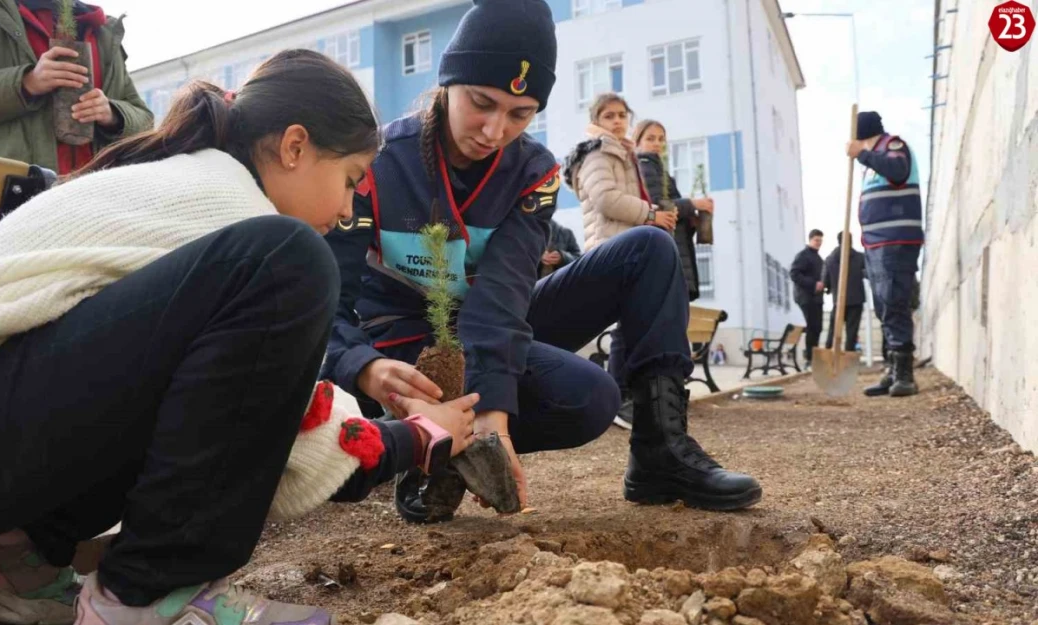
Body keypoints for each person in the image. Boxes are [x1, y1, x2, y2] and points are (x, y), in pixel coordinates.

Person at [0, 50, 482, 625]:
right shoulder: (230, 210)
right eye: (349, 181)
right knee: (296, 259)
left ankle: (1, 556)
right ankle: (150, 597)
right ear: (295, 147)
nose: (346, 210)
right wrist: (416, 436)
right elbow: (281, 430)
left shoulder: (192, 184)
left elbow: (220, 403)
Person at [323, 0, 761, 526]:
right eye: (480, 103)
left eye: (520, 114)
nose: (493, 130)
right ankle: (431, 450)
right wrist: (363, 368)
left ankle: (660, 453)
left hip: (486, 326)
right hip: (403, 350)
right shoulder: (377, 162)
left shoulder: (532, 173)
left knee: (644, 260)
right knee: (405, 360)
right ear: (447, 83)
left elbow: (502, 297)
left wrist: (494, 424)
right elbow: (327, 304)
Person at [0, 0, 153, 175]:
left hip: (96, 201)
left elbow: (145, 121)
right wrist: (27, 83)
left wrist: (112, 114)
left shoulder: (103, 30)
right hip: (9, 198)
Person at [563, 94, 674, 427]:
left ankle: (625, 396)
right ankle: (618, 397)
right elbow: (606, 199)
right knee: (627, 327)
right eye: (609, 115)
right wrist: (651, 214)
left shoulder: (622, 151)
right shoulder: (599, 151)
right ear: (596, 120)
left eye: (622, 115)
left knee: (632, 323)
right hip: (611, 246)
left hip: (624, 244)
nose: (617, 121)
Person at [848, 111, 922, 397]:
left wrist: (861, 155)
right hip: (876, 245)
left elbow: (898, 171)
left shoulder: (892, 146)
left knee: (894, 302)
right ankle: (893, 369)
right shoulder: (872, 161)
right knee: (883, 307)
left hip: (896, 240)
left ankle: (906, 374)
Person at [632, 119, 715, 302]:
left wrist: (691, 220)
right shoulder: (644, 167)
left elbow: (670, 210)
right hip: (664, 249)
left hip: (674, 246)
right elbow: (656, 207)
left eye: (661, 139)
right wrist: (693, 204)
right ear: (637, 142)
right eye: (650, 138)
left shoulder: (658, 170)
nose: (657, 144)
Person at [823, 231, 866, 352]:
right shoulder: (860, 257)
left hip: (838, 300)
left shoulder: (830, 259)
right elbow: (869, 274)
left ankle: (828, 352)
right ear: (851, 241)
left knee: (834, 329)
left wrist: (828, 289)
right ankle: (849, 354)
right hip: (856, 299)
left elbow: (825, 281)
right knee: (852, 331)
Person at [790, 229, 825, 369]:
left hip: (817, 298)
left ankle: (814, 358)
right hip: (805, 297)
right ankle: (810, 359)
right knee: (812, 327)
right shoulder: (803, 256)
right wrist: (813, 284)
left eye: (821, 241)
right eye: (816, 240)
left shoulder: (819, 258)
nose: (819, 243)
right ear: (810, 240)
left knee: (818, 328)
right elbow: (794, 274)